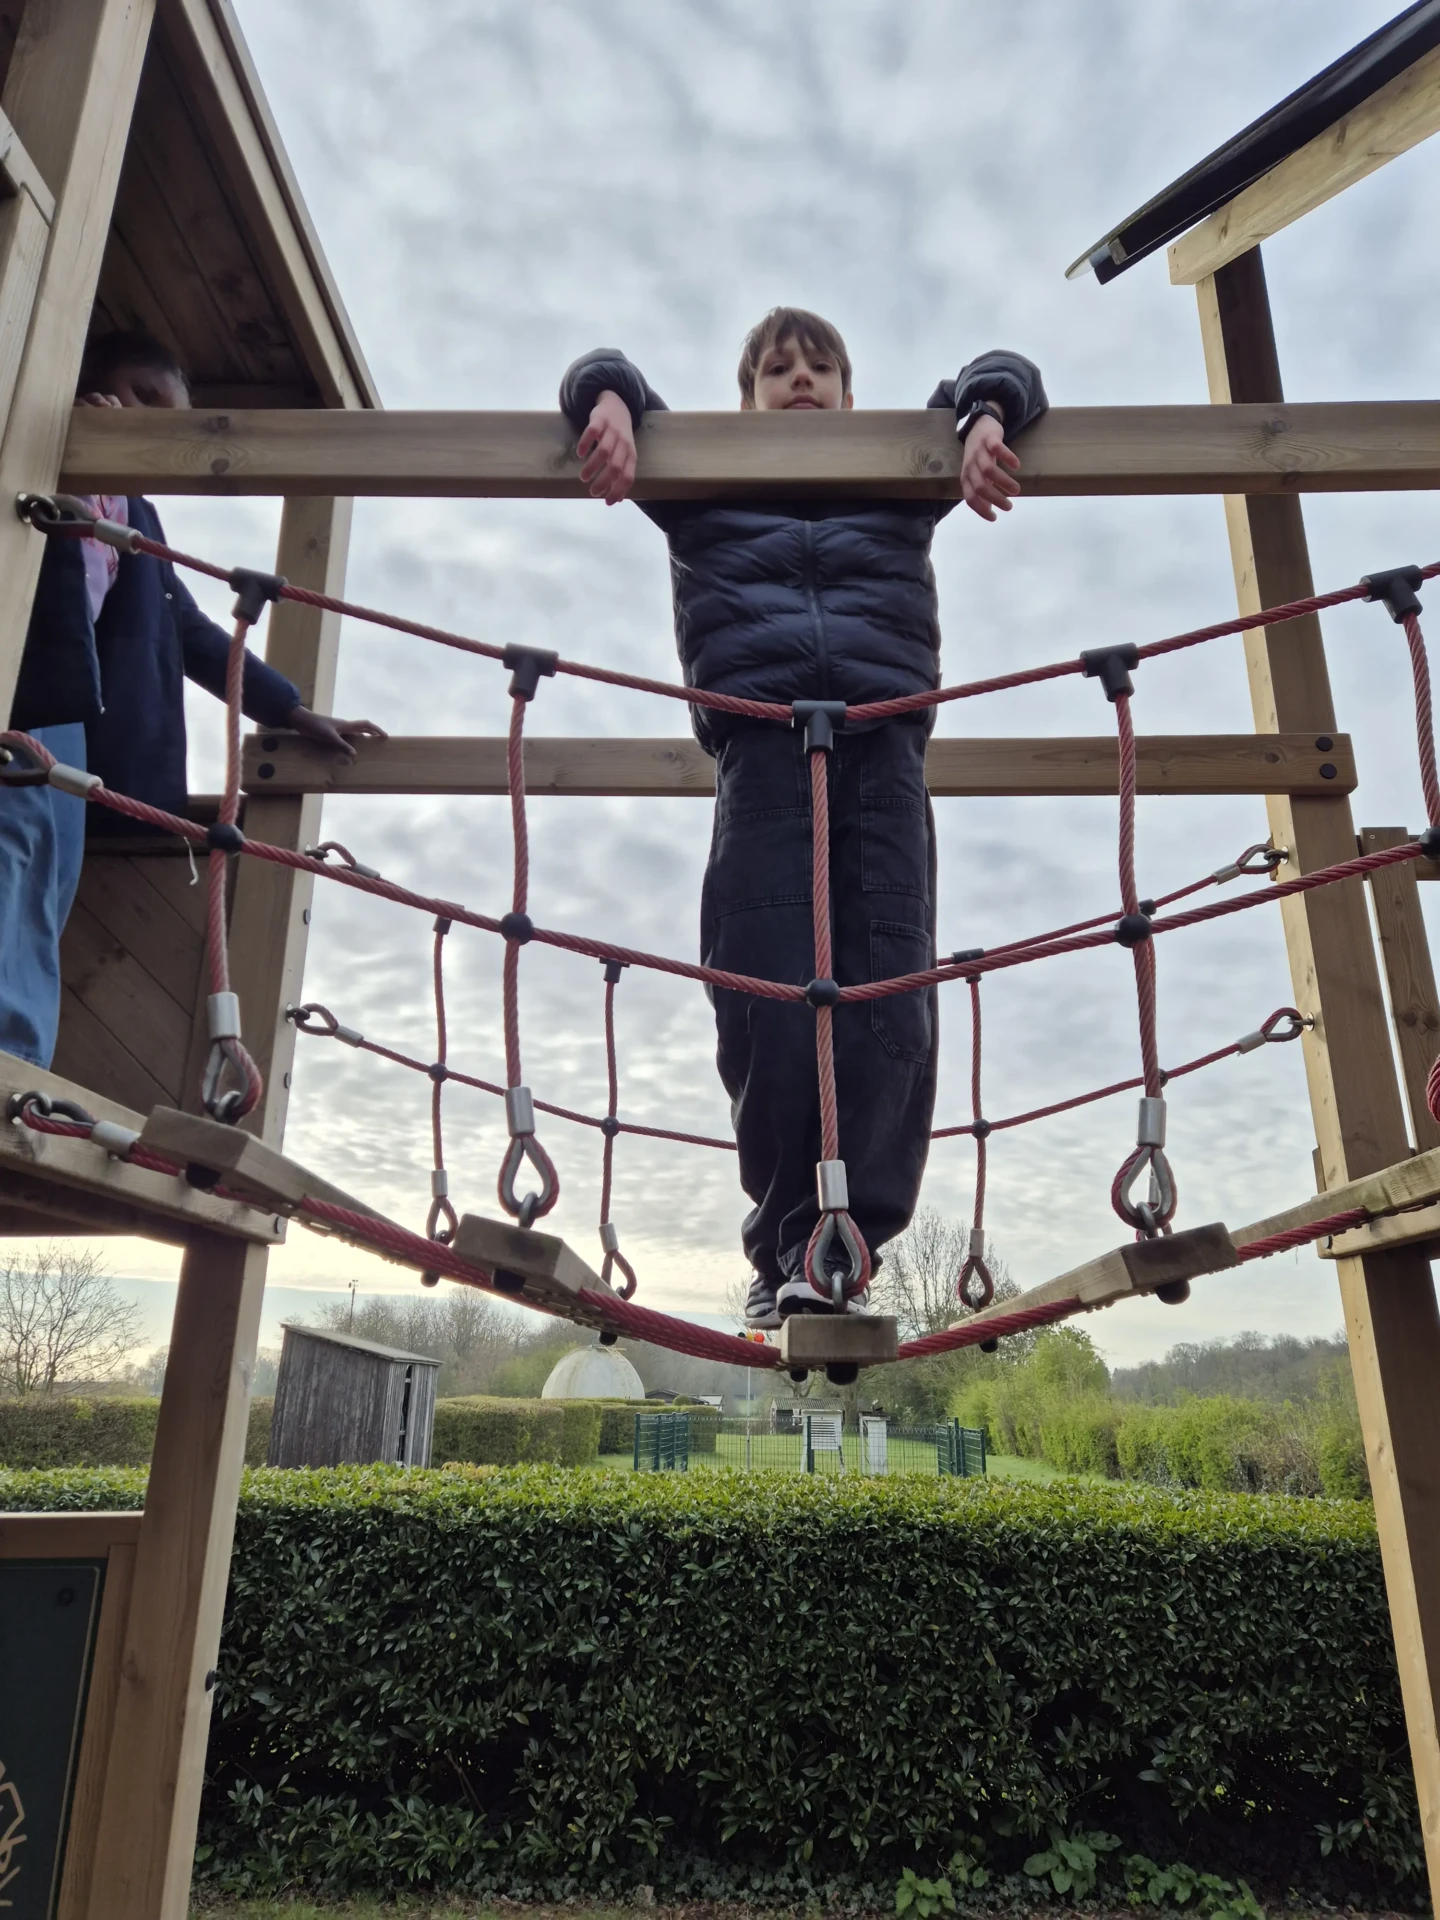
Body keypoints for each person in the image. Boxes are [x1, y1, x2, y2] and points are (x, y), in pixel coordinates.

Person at [558, 309, 1046, 1325]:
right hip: (761, 747)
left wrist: (986, 419)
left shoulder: (895, 470)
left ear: (851, 396)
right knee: (763, 996)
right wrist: (608, 403)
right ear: (743, 403)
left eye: (821, 367)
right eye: (776, 370)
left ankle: (845, 1249)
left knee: (892, 996)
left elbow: (1001, 368)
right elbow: (607, 371)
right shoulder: (704, 481)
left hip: (882, 744)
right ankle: (786, 1241)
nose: (800, 380)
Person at [0, 330, 384, 1070]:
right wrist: (78, 441)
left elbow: (189, 628)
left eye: (167, 415)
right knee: (12, 848)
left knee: (47, 880)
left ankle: (19, 1062)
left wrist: (290, 709)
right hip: (23, 677)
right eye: (140, 396)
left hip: (68, 705)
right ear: (87, 385)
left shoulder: (137, 515)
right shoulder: (39, 449)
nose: (147, 418)